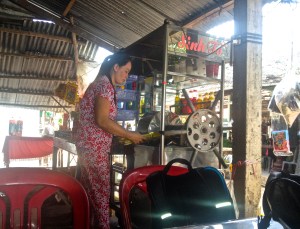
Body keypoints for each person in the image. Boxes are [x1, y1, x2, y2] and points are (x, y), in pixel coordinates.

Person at [75, 53, 145, 228]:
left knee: (92, 195)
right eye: (126, 71)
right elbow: (102, 120)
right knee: (100, 196)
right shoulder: (104, 86)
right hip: (94, 150)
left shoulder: (99, 84)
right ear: (115, 67)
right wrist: (130, 135)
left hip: (89, 149)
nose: (126, 76)